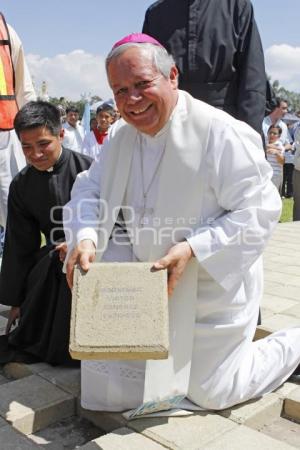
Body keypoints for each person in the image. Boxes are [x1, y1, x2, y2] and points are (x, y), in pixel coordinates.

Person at [64, 34, 300, 415]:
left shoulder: (218, 132)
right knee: (124, 389)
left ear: (172, 76)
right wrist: (86, 237)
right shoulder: (121, 136)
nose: (132, 100)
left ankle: (293, 345)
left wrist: (193, 248)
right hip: (149, 285)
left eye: (142, 84)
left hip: (208, 287)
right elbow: (89, 189)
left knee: (216, 392)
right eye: (120, 90)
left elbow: (259, 208)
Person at [0, 101, 92, 365]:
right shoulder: (22, 185)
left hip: (95, 252)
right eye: (26, 147)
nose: (35, 154)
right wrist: (17, 301)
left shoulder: (89, 170)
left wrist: (78, 243)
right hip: (51, 258)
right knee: (51, 261)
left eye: (44, 144)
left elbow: (115, 221)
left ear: (60, 134)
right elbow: (19, 245)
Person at [142, 0, 266, 135]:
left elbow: (252, 79)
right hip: (171, 123)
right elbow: (146, 76)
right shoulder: (155, 14)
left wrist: (250, 136)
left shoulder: (238, 6)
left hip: (225, 124)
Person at [0, 13, 36, 253]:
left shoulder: (6, 31)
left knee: (16, 216)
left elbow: (24, 88)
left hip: (4, 135)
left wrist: (34, 132)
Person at [266, 125, 285, 192]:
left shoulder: (280, 146)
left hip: (275, 176)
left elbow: (282, 162)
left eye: (275, 133)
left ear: (279, 136)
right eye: (270, 132)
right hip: (264, 174)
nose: (272, 135)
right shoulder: (264, 143)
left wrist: (276, 153)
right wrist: (268, 147)